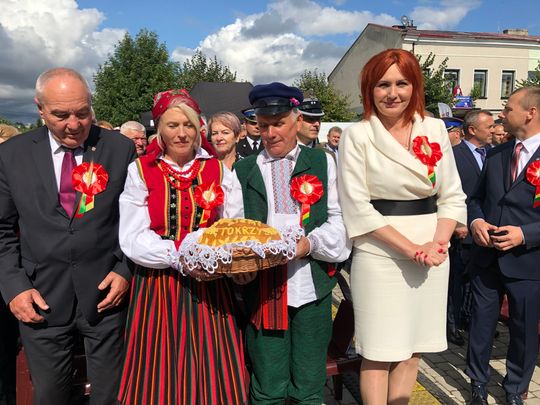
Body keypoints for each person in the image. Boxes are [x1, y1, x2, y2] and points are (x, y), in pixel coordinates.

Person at [0, 67, 136, 405]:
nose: (74, 124)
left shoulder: (119, 149)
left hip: (107, 296)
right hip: (41, 298)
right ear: (40, 109)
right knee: (50, 395)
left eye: (82, 113)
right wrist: (14, 287)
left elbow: (135, 220)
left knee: (111, 396)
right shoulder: (12, 155)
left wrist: (124, 270)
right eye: (61, 115)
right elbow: (2, 230)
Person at [338, 49, 466, 405]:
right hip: (380, 252)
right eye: (383, 85)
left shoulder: (434, 128)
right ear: (369, 89)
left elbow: (452, 194)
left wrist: (438, 244)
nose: (392, 93)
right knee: (379, 351)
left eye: (401, 83)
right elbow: (357, 206)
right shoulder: (357, 135)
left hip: (433, 252)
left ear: (415, 87)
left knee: (413, 349)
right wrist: (412, 249)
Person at [117, 89, 247, 405]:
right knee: (159, 368)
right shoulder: (141, 170)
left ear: (198, 128)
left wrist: (215, 257)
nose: (182, 133)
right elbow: (132, 235)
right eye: (173, 125)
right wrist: (179, 257)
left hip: (209, 282)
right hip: (158, 282)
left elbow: (233, 225)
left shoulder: (218, 170)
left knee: (212, 364)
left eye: (188, 125)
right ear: (159, 129)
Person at [225, 82, 350, 404]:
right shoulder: (243, 169)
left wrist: (309, 244)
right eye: (264, 125)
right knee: (268, 382)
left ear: (297, 121)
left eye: (278, 123)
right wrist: (240, 265)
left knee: (309, 383)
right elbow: (234, 226)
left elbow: (338, 219)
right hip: (264, 289)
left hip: (311, 287)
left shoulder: (322, 162)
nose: (270, 133)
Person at [465, 87, 540, 405]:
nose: (501, 115)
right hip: (487, 257)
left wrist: (525, 234)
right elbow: (476, 199)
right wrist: (476, 222)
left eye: (508, 108)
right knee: (481, 324)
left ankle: (515, 388)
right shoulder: (496, 153)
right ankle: (477, 383)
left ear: (531, 113)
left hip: (528, 259)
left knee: (524, 330)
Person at [447, 111, 493, 347]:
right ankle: (451, 325)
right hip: (461, 231)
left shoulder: (493, 154)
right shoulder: (454, 155)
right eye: (489, 126)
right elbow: (447, 192)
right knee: (456, 282)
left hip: (485, 230)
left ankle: (470, 318)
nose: (493, 130)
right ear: (473, 130)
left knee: (475, 282)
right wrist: (456, 222)